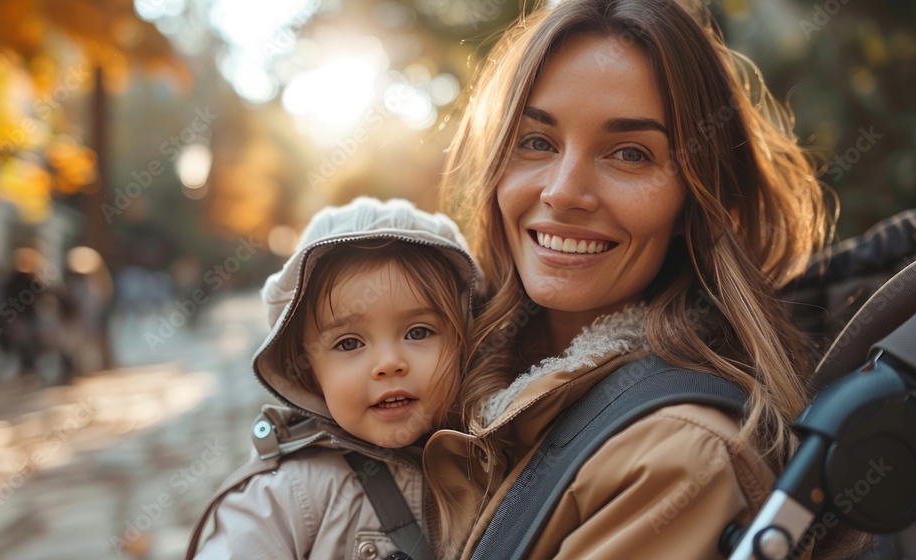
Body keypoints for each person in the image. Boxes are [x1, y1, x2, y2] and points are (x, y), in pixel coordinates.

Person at [423, 0, 850, 558]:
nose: (562, 191)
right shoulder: (433, 377)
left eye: (629, 153)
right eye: (536, 141)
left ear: (695, 204)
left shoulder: (679, 457)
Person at [191, 197, 480, 559]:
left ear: (463, 343)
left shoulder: (489, 465)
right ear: (309, 372)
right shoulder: (289, 494)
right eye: (349, 343)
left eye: (418, 333)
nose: (389, 364)